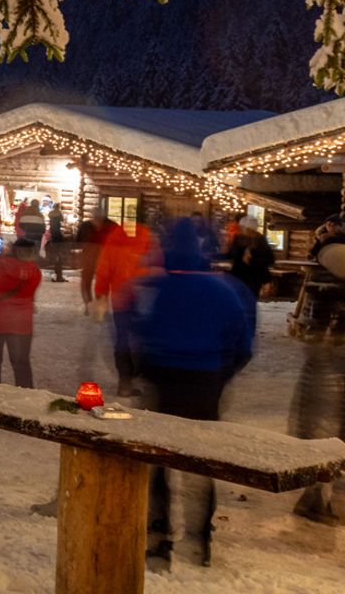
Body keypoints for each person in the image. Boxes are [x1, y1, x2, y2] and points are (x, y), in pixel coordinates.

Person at [133, 217, 255, 570]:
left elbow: (138, 332)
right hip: (205, 385)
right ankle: (199, 542)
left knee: (158, 461)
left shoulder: (158, 287)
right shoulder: (224, 290)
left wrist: (140, 369)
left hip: (162, 384)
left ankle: (158, 537)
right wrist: (220, 375)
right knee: (200, 465)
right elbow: (243, 344)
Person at [289, 214, 345, 524]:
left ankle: (320, 496)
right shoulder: (334, 252)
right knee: (323, 429)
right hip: (331, 351)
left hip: (332, 351)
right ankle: (314, 498)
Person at [93, 208, 152, 396]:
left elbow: (103, 271)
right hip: (145, 298)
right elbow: (158, 265)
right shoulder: (148, 240)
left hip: (121, 299)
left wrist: (101, 294)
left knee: (123, 341)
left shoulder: (114, 240)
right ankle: (140, 378)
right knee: (143, 340)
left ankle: (125, 382)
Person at [0, 235, 41, 387]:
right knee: (21, 364)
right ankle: (26, 397)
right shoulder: (35, 272)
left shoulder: (0, 265)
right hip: (21, 324)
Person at [225, 216, 276, 300]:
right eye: (241, 228)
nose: (241, 230)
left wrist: (251, 261)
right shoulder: (238, 238)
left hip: (254, 277)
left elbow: (269, 259)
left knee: (249, 300)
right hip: (238, 275)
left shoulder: (260, 240)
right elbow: (232, 254)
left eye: (243, 228)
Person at [46, 202, 70, 282]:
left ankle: (57, 270)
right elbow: (62, 220)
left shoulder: (51, 213)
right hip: (57, 235)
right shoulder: (59, 213)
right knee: (59, 254)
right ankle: (59, 272)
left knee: (56, 254)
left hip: (53, 234)